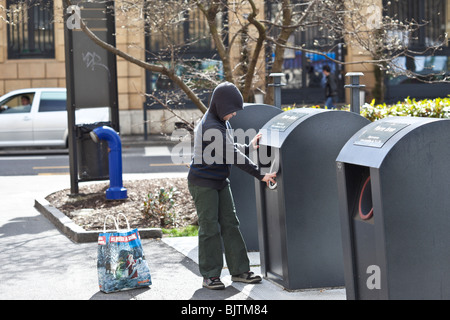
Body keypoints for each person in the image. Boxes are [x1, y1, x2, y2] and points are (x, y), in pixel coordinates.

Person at [188, 81, 277, 290]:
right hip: (203, 183)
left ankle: (239, 271)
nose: (234, 115)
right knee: (209, 228)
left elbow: (228, 147)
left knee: (231, 223)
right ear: (221, 106)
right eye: (232, 110)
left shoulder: (220, 120)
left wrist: (248, 146)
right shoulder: (211, 125)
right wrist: (260, 174)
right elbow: (233, 156)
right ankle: (210, 275)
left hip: (218, 180)